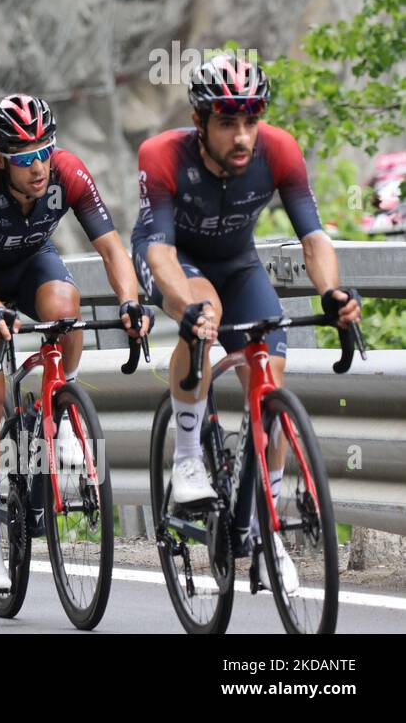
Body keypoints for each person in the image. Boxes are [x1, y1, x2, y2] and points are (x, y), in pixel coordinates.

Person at [131, 55, 361, 594]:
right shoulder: (162, 155)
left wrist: (331, 292)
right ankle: (188, 461)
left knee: (270, 385)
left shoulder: (278, 149)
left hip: (239, 264)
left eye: (250, 121)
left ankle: (265, 530)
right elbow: (160, 249)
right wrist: (182, 304)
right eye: (228, 122)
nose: (242, 137)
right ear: (200, 121)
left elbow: (313, 239)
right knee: (204, 313)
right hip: (172, 260)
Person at [0, 94, 150, 590]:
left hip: (32, 261)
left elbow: (111, 249)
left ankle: (61, 408)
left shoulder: (69, 171)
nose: (39, 166)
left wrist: (129, 301)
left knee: (65, 310)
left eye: (44, 151)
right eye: (24, 157)